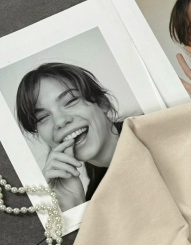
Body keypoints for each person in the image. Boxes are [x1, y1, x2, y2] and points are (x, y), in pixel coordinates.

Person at [15, 63, 123, 213]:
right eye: (43, 117)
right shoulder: (97, 193)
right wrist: (74, 206)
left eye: (70, 101)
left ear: (102, 103)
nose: (60, 121)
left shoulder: (152, 131)